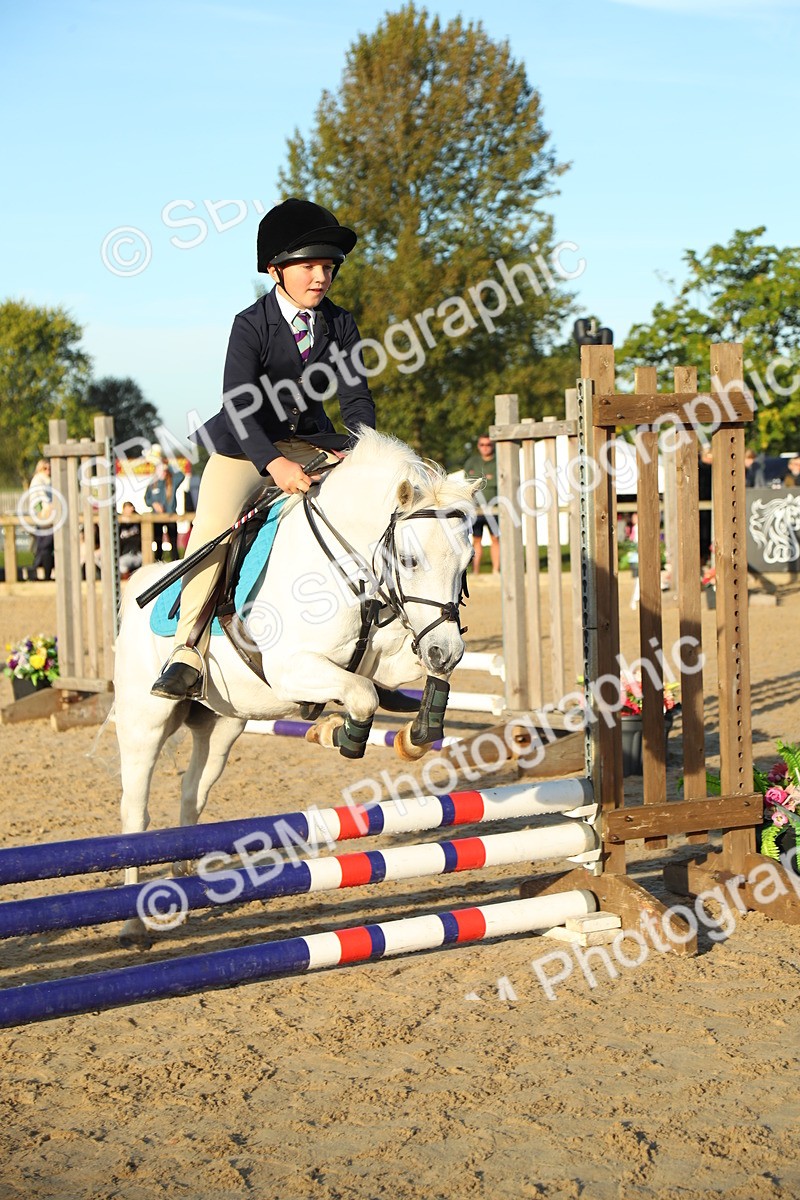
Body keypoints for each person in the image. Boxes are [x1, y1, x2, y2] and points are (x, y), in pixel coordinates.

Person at [150, 197, 376, 700]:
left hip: (309, 443)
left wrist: (362, 453)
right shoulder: (250, 324)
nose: (321, 276)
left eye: (328, 267)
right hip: (243, 449)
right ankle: (187, 650)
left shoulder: (340, 324)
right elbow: (237, 401)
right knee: (214, 530)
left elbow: (356, 398)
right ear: (276, 269)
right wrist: (272, 464)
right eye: (309, 266)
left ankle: (372, 636)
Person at [463, 435, 500, 574]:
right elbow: (468, 482)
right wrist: (487, 480)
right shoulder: (472, 462)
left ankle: (496, 570)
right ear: (478, 446)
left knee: (495, 538)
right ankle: (476, 571)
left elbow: (499, 482)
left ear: (493, 445)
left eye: (488, 444)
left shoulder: (499, 461)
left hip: (495, 508)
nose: (485, 447)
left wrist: (483, 481)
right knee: (476, 539)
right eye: (482, 444)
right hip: (476, 509)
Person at [144, 455, 185, 561]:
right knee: (157, 543)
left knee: (173, 543)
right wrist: (154, 504)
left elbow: (181, 475)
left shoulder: (172, 481)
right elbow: (146, 498)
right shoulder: (153, 484)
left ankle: (176, 566)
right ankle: (158, 563)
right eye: (159, 469)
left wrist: (169, 465)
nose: (162, 471)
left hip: (170, 516)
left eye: (163, 469)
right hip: (157, 518)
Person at [28, 459, 55, 580]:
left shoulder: (48, 481)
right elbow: (38, 500)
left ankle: (40, 573)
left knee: (44, 547)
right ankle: (44, 574)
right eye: (45, 468)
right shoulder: (39, 480)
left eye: (49, 468)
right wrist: (41, 513)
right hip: (45, 518)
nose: (48, 471)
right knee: (45, 547)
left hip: (49, 518)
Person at [118, 501, 143, 579]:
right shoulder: (121, 524)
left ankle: (129, 582)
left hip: (137, 553)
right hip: (125, 554)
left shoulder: (137, 521)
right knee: (120, 563)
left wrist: (133, 513)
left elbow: (141, 517)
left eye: (131, 509)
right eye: (127, 509)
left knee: (121, 562)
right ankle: (127, 581)